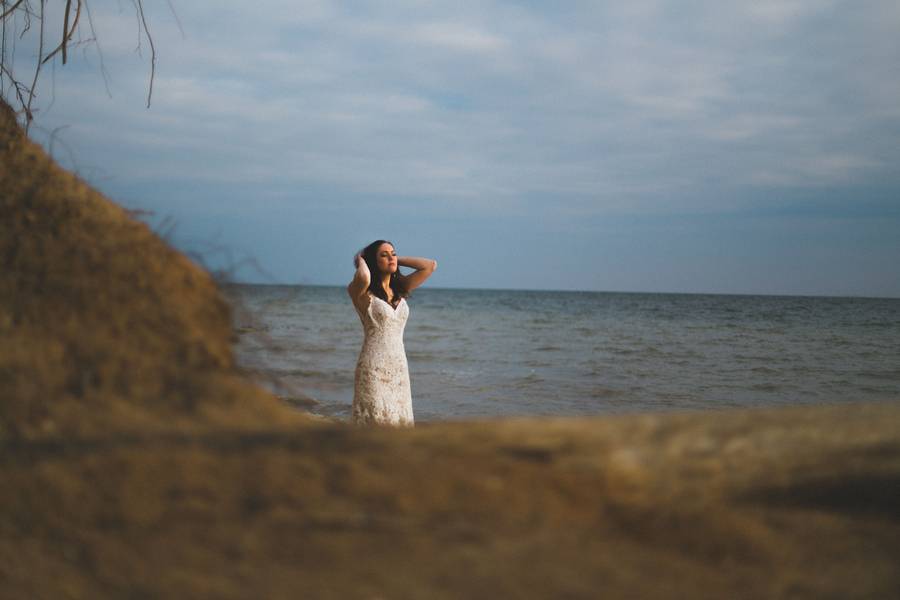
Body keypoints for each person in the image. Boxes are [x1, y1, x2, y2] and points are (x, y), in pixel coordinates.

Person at [347, 240, 437, 426]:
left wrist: (395, 260)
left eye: (393, 253)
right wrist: (361, 259)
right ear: (373, 261)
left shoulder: (400, 289)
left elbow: (430, 266)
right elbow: (364, 276)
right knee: (375, 421)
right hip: (373, 369)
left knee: (399, 424)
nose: (391, 257)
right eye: (384, 255)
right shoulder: (362, 292)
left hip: (399, 369)